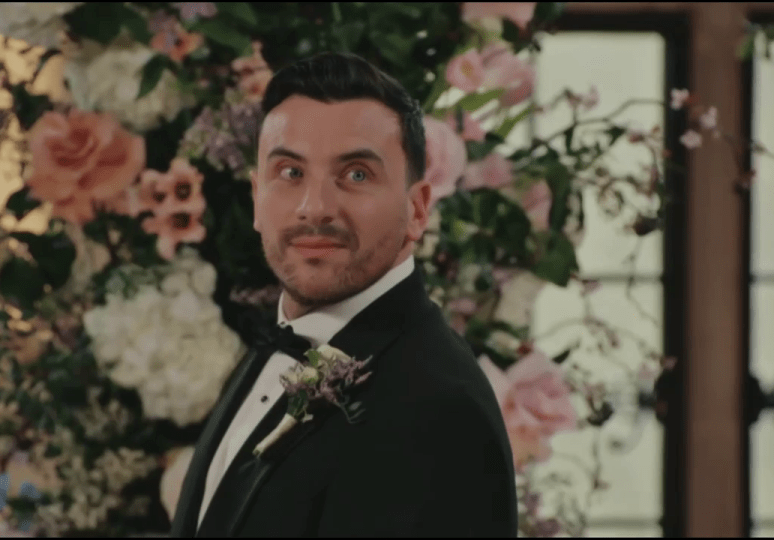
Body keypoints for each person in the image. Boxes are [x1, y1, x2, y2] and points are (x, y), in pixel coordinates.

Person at [170, 51, 518, 537]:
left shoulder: (440, 409)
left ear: (417, 210)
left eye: (356, 174)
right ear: (256, 199)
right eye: (290, 173)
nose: (314, 208)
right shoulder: (284, 340)